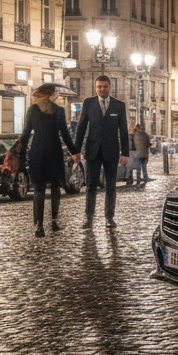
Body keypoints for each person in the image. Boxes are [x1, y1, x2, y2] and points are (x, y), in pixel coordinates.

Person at [20, 84, 79, 236]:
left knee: (38, 189)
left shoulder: (33, 110)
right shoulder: (58, 111)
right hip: (54, 151)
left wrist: (21, 155)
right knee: (55, 187)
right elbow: (65, 134)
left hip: (37, 151)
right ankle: (53, 221)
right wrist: (74, 151)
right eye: (56, 91)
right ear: (51, 94)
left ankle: (38, 225)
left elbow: (26, 134)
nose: (57, 93)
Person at [72, 74, 129, 228]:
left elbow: (123, 130)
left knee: (111, 186)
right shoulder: (88, 103)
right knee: (90, 185)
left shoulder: (119, 106)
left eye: (105, 86)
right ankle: (88, 217)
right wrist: (75, 150)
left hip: (111, 151)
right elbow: (81, 127)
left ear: (109, 87)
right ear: (95, 87)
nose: (102, 89)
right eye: (99, 86)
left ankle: (109, 217)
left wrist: (125, 152)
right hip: (93, 150)